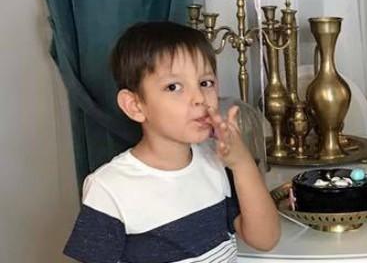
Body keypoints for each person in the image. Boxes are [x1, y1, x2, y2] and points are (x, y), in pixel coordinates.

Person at [63, 21, 280, 263]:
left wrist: (241, 163)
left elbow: (265, 239)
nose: (199, 98)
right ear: (135, 106)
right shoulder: (109, 188)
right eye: (174, 87)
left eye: (205, 83)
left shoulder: (214, 163)